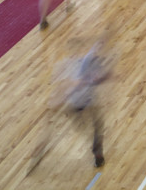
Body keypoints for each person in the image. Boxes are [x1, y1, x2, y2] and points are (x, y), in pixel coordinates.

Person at [32, 36, 113, 170]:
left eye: (78, 49)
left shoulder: (86, 61)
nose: (76, 52)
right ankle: (41, 148)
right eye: (73, 50)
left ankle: (98, 153)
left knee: (98, 123)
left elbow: (96, 62)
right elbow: (63, 85)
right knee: (83, 129)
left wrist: (103, 77)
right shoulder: (64, 66)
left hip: (89, 100)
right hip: (74, 103)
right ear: (69, 51)